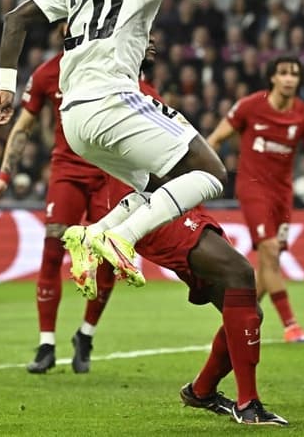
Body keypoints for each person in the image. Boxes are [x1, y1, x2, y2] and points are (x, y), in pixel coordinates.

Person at [0, 0, 304, 299]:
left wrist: (6, 87)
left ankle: (94, 235)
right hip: (112, 100)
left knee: (160, 185)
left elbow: (16, 19)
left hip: (75, 120)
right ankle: (121, 239)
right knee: (212, 173)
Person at [0, 37, 161, 374]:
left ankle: (86, 334)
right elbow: (23, 126)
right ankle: (46, 344)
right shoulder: (50, 72)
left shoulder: (115, 66)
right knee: (52, 250)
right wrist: (4, 177)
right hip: (67, 172)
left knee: (106, 255)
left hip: (110, 173)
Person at [97, 178, 288, 425]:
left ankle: (201, 391)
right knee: (239, 273)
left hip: (180, 202)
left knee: (249, 313)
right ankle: (248, 404)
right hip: (152, 206)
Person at [208, 57, 304, 343]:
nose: (289, 78)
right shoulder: (250, 106)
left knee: (268, 263)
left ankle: (240, 315)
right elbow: (215, 139)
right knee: (270, 251)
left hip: (282, 196)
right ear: (272, 78)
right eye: (283, 73)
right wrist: (205, 174)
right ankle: (291, 325)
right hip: (253, 190)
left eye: (294, 74)